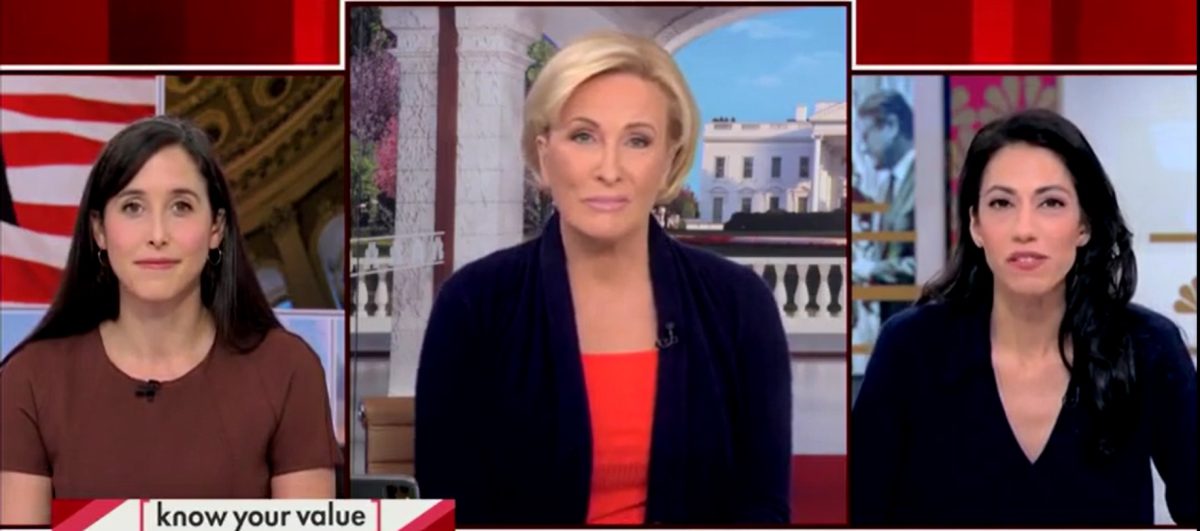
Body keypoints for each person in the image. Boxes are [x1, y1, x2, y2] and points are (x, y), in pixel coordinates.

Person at [415, 31, 792, 525]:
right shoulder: (474, 304)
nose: (609, 169)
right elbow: (450, 509)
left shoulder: (740, 304)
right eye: (583, 136)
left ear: (670, 160)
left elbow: (762, 505)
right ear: (544, 153)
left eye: (637, 141)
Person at [850, 109, 1197, 526]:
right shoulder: (910, 349)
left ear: (1084, 225)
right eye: (1002, 203)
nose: (1024, 229)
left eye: (1051, 203)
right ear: (976, 225)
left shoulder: (1148, 348)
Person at [0, 117, 341, 525]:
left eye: (181, 206)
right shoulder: (30, 379)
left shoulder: (288, 370)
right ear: (99, 231)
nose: (158, 234)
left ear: (216, 228)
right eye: (133, 207)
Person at [851, 90, 916, 324]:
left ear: (891, 126)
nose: (863, 148)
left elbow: (935, 262)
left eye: (865, 136)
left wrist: (871, 270)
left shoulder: (928, 178)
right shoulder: (886, 186)